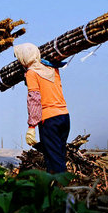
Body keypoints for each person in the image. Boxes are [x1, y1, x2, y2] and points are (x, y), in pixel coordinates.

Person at [14, 43, 70, 173]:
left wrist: (32, 126)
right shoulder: (53, 70)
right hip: (64, 116)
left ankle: (63, 189)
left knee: (54, 160)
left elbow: (34, 99)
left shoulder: (31, 73)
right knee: (59, 155)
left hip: (49, 120)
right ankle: (57, 187)